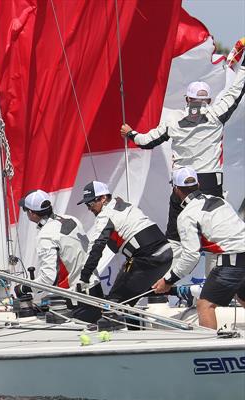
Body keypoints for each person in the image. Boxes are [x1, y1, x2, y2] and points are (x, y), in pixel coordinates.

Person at [120, 44, 245, 245]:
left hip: (183, 183)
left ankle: (174, 274)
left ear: (187, 99)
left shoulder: (173, 119)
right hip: (211, 181)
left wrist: (130, 133)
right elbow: (237, 90)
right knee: (215, 236)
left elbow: (146, 142)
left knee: (176, 236)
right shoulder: (216, 114)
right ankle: (206, 276)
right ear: (209, 100)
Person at [152, 167, 245, 329]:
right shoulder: (220, 201)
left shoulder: (187, 215)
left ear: (175, 189)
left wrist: (168, 280)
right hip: (240, 257)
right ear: (198, 184)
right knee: (243, 298)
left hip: (232, 261)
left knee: (205, 305)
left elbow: (190, 256)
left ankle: (209, 350)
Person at [77, 181, 172, 323]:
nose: (90, 209)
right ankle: (136, 333)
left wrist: (84, 276)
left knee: (114, 303)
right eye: (87, 205)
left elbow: (96, 247)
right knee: (129, 300)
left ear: (103, 199)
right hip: (166, 254)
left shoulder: (105, 215)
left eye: (90, 204)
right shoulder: (124, 204)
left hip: (148, 258)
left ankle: (117, 337)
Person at [16, 189, 103, 323]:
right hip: (95, 286)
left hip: (82, 297)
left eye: (25, 210)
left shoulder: (45, 235)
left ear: (31, 213)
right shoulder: (71, 219)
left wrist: (23, 287)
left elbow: (48, 278)